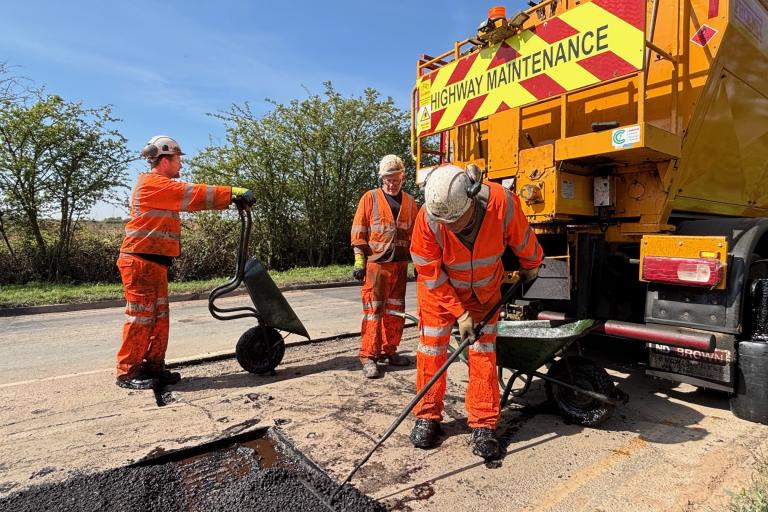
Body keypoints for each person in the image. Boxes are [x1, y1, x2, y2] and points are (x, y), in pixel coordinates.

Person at [408, 163, 543, 460]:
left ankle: (483, 424)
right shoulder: (429, 219)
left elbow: (523, 238)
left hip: (483, 295)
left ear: (471, 197)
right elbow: (429, 272)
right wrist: (459, 313)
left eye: (456, 220)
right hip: (438, 294)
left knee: (483, 354)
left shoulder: (501, 203)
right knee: (431, 351)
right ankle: (427, 415)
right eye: (446, 222)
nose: (452, 226)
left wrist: (531, 265)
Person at [115, 135, 255, 390]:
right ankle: (128, 372)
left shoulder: (161, 186)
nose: (181, 164)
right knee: (141, 318)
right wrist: (231, 193)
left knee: (158, 318)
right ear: (165, 159)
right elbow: (192, 195)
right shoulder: (153, 184)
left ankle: (153, 366)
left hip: (154, 263)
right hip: (140, 263)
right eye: (178, 159)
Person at [350, 155, 418, 378]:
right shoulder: (370, 198)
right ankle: (369, 356)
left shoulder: (409, 202)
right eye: (388, 179)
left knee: (395, 310)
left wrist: (418, 263)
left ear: (403, 177)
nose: (392, 183)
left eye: (396, 179)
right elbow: (359, 233)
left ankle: (390, 351)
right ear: (382, 178)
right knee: (373, 312)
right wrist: (359, 261)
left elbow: (417, 236)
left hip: (399, 265)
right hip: (376, 265)